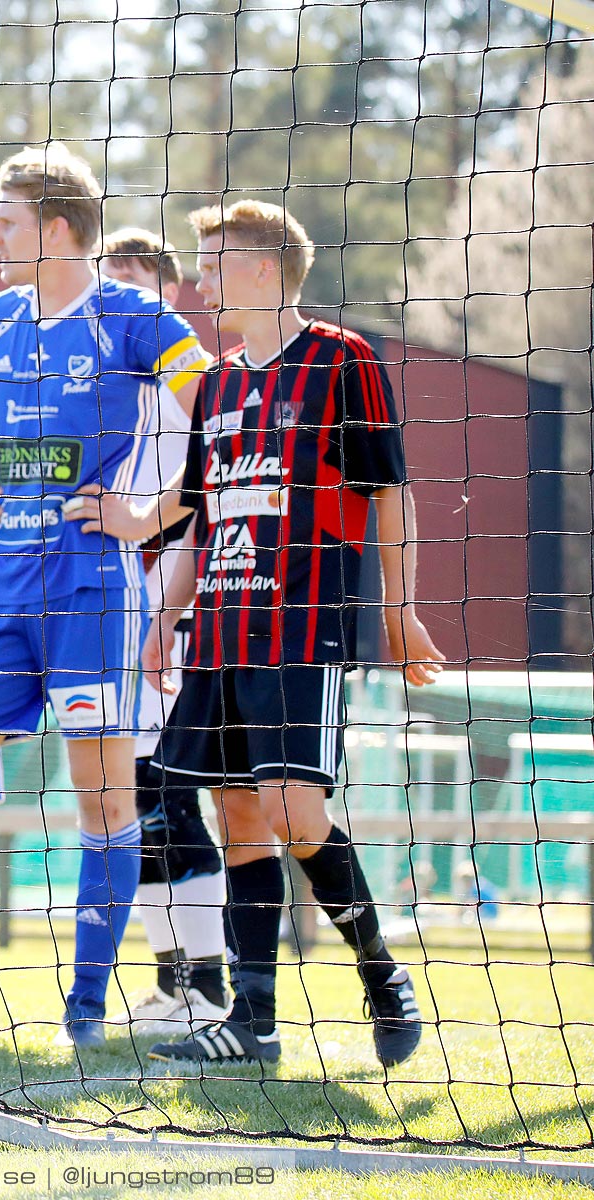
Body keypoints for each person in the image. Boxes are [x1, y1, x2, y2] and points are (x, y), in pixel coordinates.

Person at [0, 144, 210, 1050]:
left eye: (2, 219)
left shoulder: (134, 317)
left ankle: (84, 1008)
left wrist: (145, 514)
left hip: (89, 593)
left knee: (104, 797)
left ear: (54, 226)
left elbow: (221, 410)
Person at [144, 200, 442, 1068]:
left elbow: (389, 490)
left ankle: (382, 974)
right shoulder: (220, 382)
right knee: (237, 815)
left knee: (292, 811)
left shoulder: (341, 359)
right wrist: (167, 617)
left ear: (267, 268)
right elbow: (199, 515)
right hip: (222, 633)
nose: (200, 279)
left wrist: (399, 607)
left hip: (301, 628)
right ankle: (254, 1021)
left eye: (214, 262)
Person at [93, 231, 230, 1037]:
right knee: (134, 799)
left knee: (174, 797)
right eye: (108, 281)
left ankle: (207, 986)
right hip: (106, 613)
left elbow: (207, 484)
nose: (118, 295)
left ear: (169, 294)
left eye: (135, 281)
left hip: (175, 605)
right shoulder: (94, 382)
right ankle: (173, 983)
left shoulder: (191, 386)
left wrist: (171, 606)